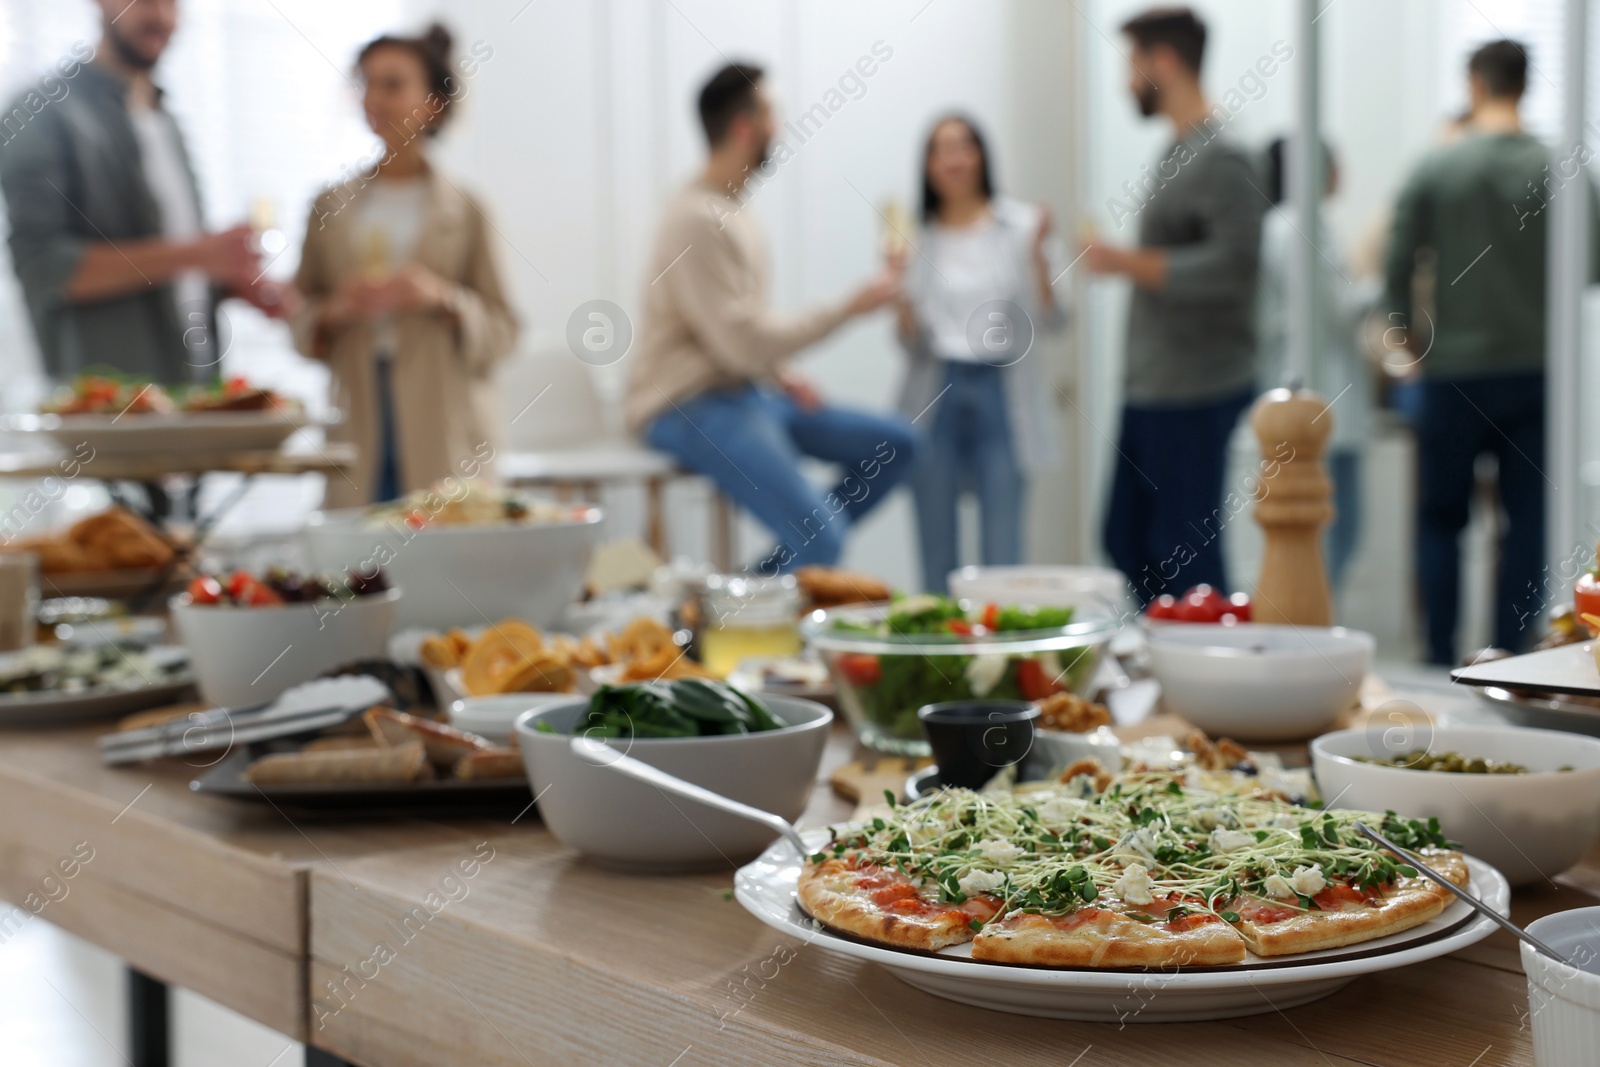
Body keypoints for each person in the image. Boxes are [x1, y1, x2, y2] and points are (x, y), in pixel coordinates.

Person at [626, 63, 917, 572]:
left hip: (744, 390)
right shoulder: (695, 218)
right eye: (772, 116)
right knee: (821, 539)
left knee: (896, 446)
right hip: (688, 403)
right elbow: (739, 343)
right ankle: (735, 617)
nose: (779, 129)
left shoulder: (736, 213)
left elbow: (734, 334)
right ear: (745, 127)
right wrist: (849, 308)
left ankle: (762, 587)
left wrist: (781, 375)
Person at [1384, 40, 1584, 662]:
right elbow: (1590, 269)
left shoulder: (1437, 167)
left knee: (1441, 519)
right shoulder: (1563, 168)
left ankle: (1440, 657)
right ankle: (1511, 658)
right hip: (1537, 371)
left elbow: (1397, 261)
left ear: (1473, 86)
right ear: (1524, 86)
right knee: (1525, 524)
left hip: (1453, 374)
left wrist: (1407, 337)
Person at [0, 0, 290, 384]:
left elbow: (173, 269)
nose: (161, 17)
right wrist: (198, 253)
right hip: (108, 411)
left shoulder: (166, 119)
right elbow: (44, 267)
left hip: (194, 393)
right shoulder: (43, 114)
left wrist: (227, 280)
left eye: (172, 4)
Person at [291, 24, 518, 507]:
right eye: (366, 83)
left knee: (443, 557)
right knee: (360, 565)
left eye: (393, 84)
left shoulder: (469, 209)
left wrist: (441, 297)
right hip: (360, 409)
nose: (375, 98)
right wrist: (335, 309)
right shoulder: (326, 206)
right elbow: (299, 316)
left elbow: (504, 330)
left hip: (443, 415)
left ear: (433, 103)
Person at [1083, 6, 1264, 604]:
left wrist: (1124, 261)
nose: (1124, 82)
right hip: (1155, 388)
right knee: (1126, 538)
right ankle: (1175, 663)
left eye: (1131, 65)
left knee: (1187, 556)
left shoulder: (1225, 155)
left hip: (1196, 389)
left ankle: (1218, 678)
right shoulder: (1178, 152)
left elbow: (1235, 267)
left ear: (1164, 62)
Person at [897, 115, 1063, 593]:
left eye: (964, 146)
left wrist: (1040, 258)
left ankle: (1001, 658)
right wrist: (898, 293)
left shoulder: (1022, 225)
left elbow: (1055, 320)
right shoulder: (914, 236)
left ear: (982, 155)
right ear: (927, 165)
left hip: (1001, 387)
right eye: (940, 149)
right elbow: (910, 341)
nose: (953, 158)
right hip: (935, 391)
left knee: (1003, 548)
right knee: (935, 548)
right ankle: (939, 660)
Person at [1256, 137, 1373, 593]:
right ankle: (1317, 629)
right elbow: (1343, 307)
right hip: (1327, 400)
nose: (1341, 170)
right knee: (1336, 530)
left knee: (1316, 532)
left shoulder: (1280, 224)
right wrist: (1388, 279)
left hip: (1307, 395)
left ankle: (1313, 628)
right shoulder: (1304, 224)